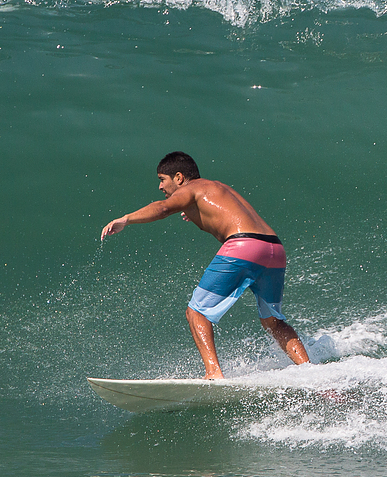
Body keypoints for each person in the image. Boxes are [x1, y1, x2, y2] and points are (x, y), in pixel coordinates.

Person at [100, 151, 311, 379]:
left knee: (196, 312)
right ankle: (309, 371)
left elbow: (163, 208)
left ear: (179, 177)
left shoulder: (191, 188)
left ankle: (213, 372)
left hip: (244, 246)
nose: (160, 187)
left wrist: (126, 219)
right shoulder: (216, 188)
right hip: (274, 249)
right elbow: (226, 213)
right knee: (273, 322)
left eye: (162, 179)